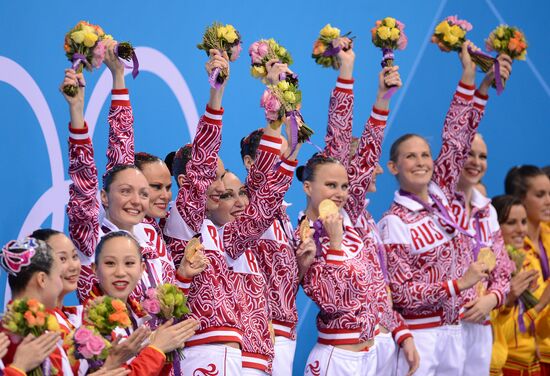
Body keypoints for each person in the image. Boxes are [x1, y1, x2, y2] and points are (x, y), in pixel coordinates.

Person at [163, 49, 299, 373]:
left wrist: (284, 136)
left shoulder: (224, 235)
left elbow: (265, 202)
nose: (221, 186)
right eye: (214, 175)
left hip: (245, 359)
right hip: (203, 354)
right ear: (189, 180)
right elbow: (201, 168)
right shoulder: (182, 226)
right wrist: (216, 94)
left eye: (222, 175)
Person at [377, 41, 502, 375]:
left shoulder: (443, 197)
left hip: (456, 331)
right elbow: (401, 293)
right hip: (421, 334)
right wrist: (458, 284)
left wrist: (470, 76)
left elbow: (457, 137)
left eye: (424, 155)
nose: (420, 162)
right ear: (393, 167)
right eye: (410, 156)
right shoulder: (393, 222)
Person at [60, 52, 206, 306]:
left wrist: (182, 278)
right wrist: (77, 111)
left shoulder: (151, 233)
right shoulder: (92, 237)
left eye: (143, 193)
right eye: (126, 192)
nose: (137, 201)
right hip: (115, 344)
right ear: (104, 196)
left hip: (162, 346)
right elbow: (87, 176)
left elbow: (167, 308)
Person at [299, 61, 402, 375]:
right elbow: (332, 300)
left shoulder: (348, 216)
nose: (341, 192)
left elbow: (366, 151)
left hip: (370, 354)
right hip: (336, 357)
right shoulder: (307, 234)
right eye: (331, 185)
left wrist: (382, 98)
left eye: (344, 185)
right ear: (307, 186)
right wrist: (334, 244)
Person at [92, 230, 198, 374]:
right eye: (110, 263)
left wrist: (165, 351)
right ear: (95, 269)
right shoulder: (87, 322)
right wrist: (156, 349)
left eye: (129, 263)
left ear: (142, 269)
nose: (120, 272)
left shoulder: (139, 318)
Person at [490, 195, 550, 375]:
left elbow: (542, 330)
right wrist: (537, 306)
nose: (520, 229)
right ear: (494, 226)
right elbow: (500, 336)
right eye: (511, 222)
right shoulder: (488, 269)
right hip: (508, 366)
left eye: (523, 222)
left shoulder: (527, 262)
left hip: (533, 365)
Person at [0, 237, 70, 374]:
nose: (61, 286)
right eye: (60, 276)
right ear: (42, 279)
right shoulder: (33, 338)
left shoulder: (6, 330)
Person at [505, 166, 550, 374]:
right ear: (521, 200)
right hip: (521, 358)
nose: (548, 200)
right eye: (540, 195)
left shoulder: (548, 236)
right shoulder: (511, 253)